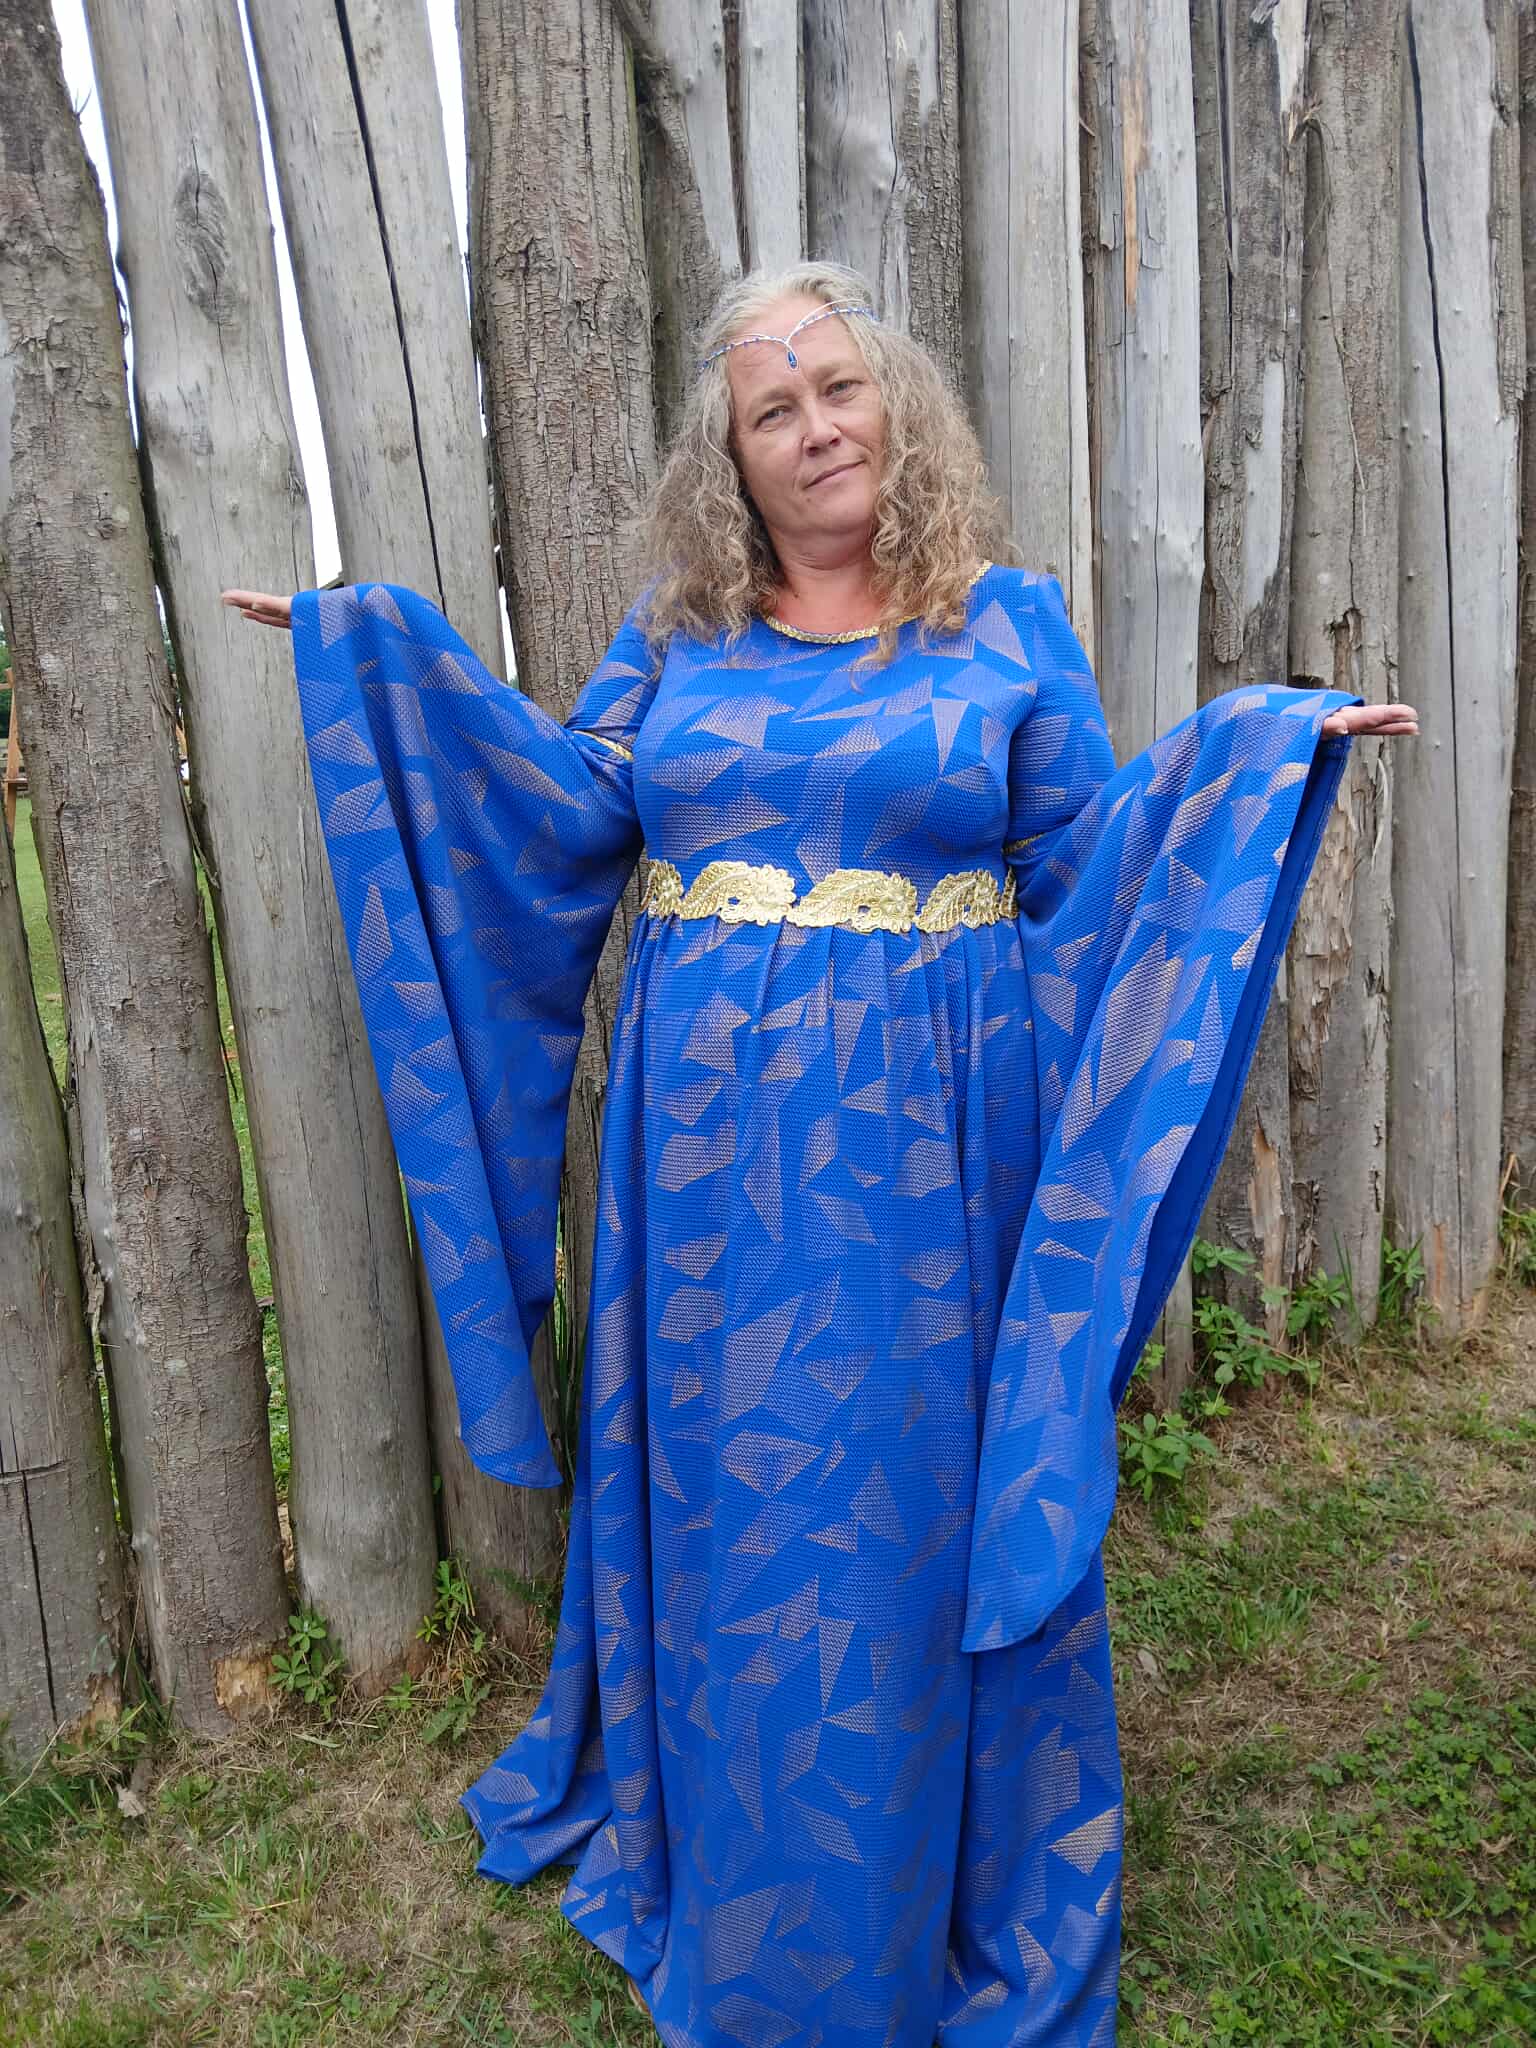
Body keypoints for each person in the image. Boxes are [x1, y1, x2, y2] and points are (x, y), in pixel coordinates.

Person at [223, 258, 1416, 2047]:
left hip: (933, 1159)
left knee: (901, 1497)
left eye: (838, 389)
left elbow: (1087, 866)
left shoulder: (1006, 625)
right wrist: (375, 655)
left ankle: (924, 1865)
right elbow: (564, 806)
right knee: (740, 1496)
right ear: (732, 457)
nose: (814, 430)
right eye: (771, 410)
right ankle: (742, 1841)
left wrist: (1257, 745)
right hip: (701, 1168)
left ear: (894, 406)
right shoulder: (679, 632)